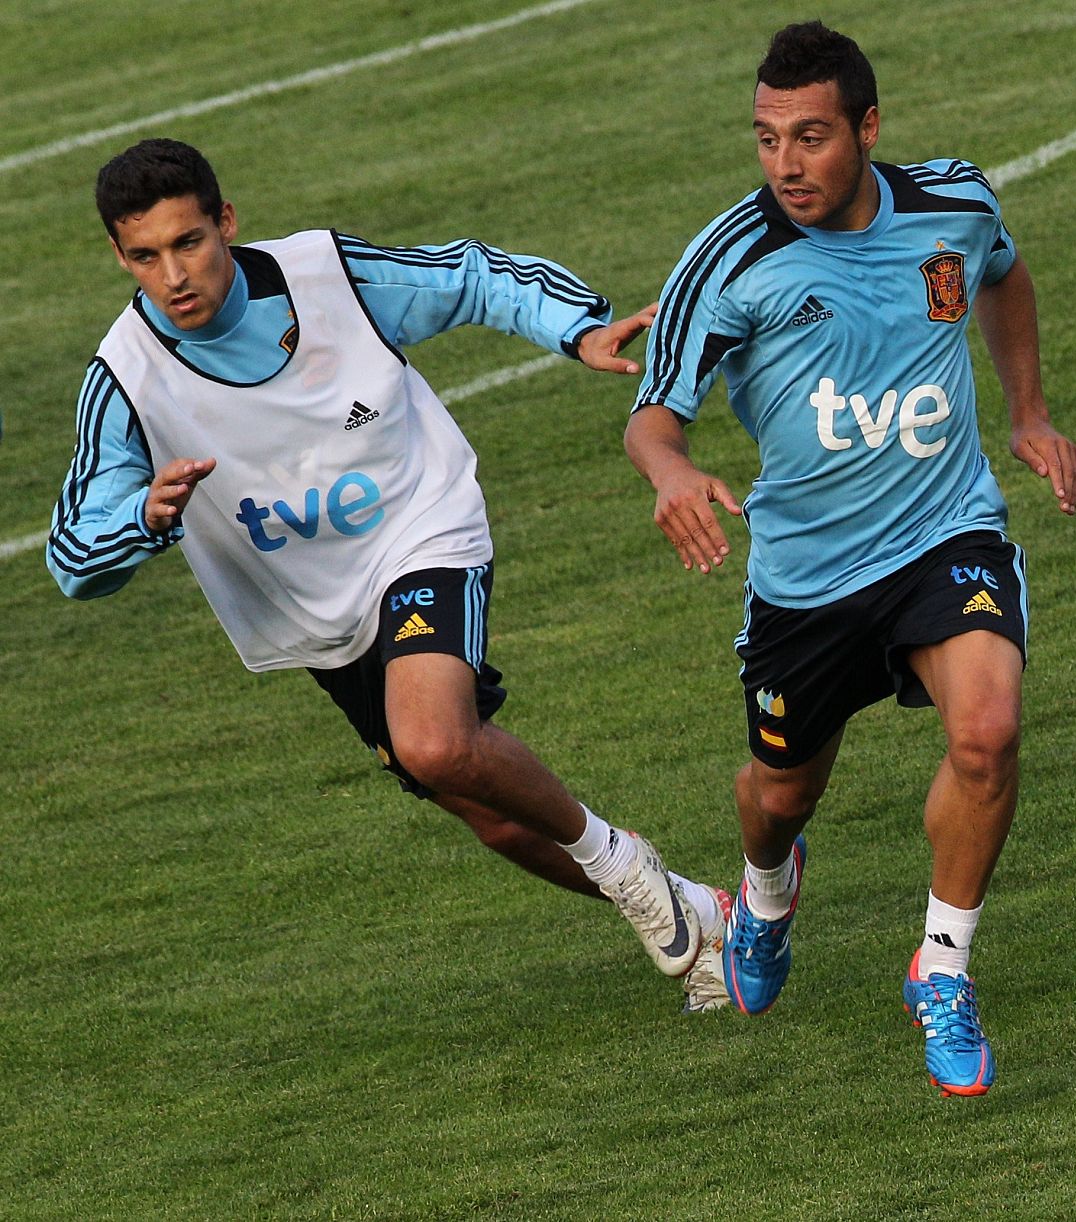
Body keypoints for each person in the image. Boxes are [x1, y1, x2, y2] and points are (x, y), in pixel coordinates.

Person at [47, 138, 729, 1005]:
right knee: (484, 810)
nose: (173, 274)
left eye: (188, 242)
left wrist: (578, 327)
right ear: (119, 256)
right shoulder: (126, 379)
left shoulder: (331, 277)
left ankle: (626, 866)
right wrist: (142, 520)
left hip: (421, 530)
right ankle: (699, 912)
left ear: (226, 222)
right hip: (319, 618)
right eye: (144, 256)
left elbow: (473, 275)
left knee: (436, 740)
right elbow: (73, 558)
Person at [625, 23, 1076, 1093]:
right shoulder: (732, 257)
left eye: (812, 137)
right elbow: (654, 412)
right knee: (778, 796)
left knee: (989, 733)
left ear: (867, 130)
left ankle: (942, 967)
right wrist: (672, 475)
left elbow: (1004, 278)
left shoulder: (954, 209)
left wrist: (1028, 411)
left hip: (942, 535)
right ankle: (767, 893)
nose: (785, 163)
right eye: (766, 138)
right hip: (806, 583)